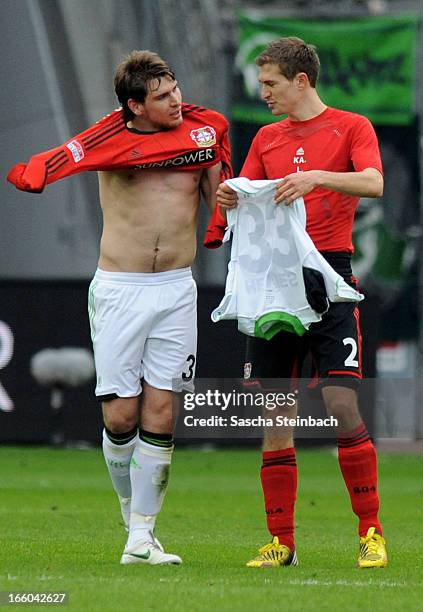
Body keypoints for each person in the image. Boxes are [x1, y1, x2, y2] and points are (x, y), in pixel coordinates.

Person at [8, 50, 231, 566]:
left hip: (178, 287)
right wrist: (32, 174)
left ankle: (143, 537)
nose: (176, 100)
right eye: (161, 96)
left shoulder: (205, 130)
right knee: (121, 415)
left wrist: (230, 217)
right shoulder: (107, 137)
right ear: (134, 106)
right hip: (120, 289)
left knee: (163, 410)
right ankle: (129, 509)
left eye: (175, 88)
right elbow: (57, 160)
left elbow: (219, 194)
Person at [213, 37, 387, 569]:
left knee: (340, 404)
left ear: (301, 81)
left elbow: (374, 183)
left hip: (329, 275)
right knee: (275, 413)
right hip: (275, 282)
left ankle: (371, 532)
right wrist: (231, 200)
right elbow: (248, 196)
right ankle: (281, 544)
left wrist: (316, 177)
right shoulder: (266, 137)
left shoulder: (351, 126)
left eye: (270, 84)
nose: (262, 93)